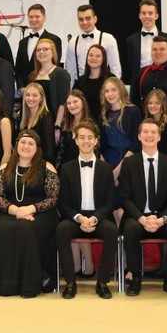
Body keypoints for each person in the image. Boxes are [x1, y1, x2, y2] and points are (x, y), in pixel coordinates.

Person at [118, 118, 167, 297]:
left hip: (162, 218)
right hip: (137, 217)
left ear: (159, 137)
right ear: (139, 136)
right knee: (130, 228)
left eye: (153, 132)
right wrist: (142, 218)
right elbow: (125, 199)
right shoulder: (129, 163)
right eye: (145, 132)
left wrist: (162, 219)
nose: (149, 135)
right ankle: (135, 278)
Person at [0, 129, 59, 298]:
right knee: (2, 228)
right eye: (23, 142)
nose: (26, 146)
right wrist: (15, 210)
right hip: (10, 211)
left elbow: (53, 198)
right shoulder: (5, 168)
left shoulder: (47, 167)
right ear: (17, 145)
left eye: (31, 144)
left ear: (37, 148)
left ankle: (31, 283)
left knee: (26, 228)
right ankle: (7, 284)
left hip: (40, 212)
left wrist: (30, 208)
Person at [56, 121, 119, 299]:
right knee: (61, 230)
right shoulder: (66, 169)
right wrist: (79, 218)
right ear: (76, 140)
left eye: (90, 138)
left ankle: (102, 282)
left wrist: (94, 218)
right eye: (82, 137)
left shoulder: (106, 169)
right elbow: (63, 203)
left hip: (98, 217)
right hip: (75, 217)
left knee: (111, 230)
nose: (86, 141)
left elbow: (110, 202)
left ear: (96, 141)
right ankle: (70, 282)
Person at [64, 3, 122, 84]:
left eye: (88, 18)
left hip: (103, 86)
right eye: (81, 19)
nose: (84, 22)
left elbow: (115, 69)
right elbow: (70, 71)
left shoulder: (108, 39)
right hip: (81, 87)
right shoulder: (73, 42)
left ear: (95, 19)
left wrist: (114, 88)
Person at [124, 0, 167, 85]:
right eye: (144, 13)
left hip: (163, 82)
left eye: (150, 13)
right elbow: (130, 67)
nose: (147, 16)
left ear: (156, 16)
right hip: (140, 83)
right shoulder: (131, 40)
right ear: (139, 16)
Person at [98, 77, 141, 179]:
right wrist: (105, 167)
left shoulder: (133, 111)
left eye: (113, 90)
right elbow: (101, 144)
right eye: (106, 91)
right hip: (108, 161)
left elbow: (136, 143)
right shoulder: (103, 115)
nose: (110, 94)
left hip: (129, 160)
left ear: (121, 90)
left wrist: (117, 171)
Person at [14, 3, 63, 91]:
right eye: (31, 17)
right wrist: (21, 87)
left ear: (44, 17)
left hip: (46, 89)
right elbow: (18, 68)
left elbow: (55, 65)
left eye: (37, 17)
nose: (34, 19)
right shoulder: (22, 42)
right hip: (25, 92)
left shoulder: (54, 39)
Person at [30, 38, 71, 132]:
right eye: (38, 50)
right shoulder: (32, 76)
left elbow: (63, 102)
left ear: (53, 53)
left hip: (53, 123)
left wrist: (57, 125)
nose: (41, 52)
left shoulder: (61, 73)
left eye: (45, 49)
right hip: (35, 122)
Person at [72, 44, 113, 123]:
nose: (93, 58)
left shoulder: (110, 79)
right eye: (90, 55)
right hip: (85, 122)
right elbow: (74, 99)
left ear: (103, 59)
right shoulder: (81, 80)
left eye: (98, 56)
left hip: (106, 121)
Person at [20, 82, 57, 164]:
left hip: (41, 164)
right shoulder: (24, 119)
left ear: (41, 98)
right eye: (27, 95)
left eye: (35, 95)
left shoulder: (46, 118)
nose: (30, 98)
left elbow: (49, 151)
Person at [57, 89, 93, 166]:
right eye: (69, 103)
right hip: (66, 169)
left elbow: (96, 152)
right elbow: (61, 153)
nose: (72, 105)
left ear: (83, 102)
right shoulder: (65, 125)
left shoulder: (91, 125)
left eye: (75, 101)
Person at [144, 89, 167, 159]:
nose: (152, 106)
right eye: (150, 103)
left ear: (163, 105)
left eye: (157, 103)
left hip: (164, 162)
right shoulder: (145, 123)